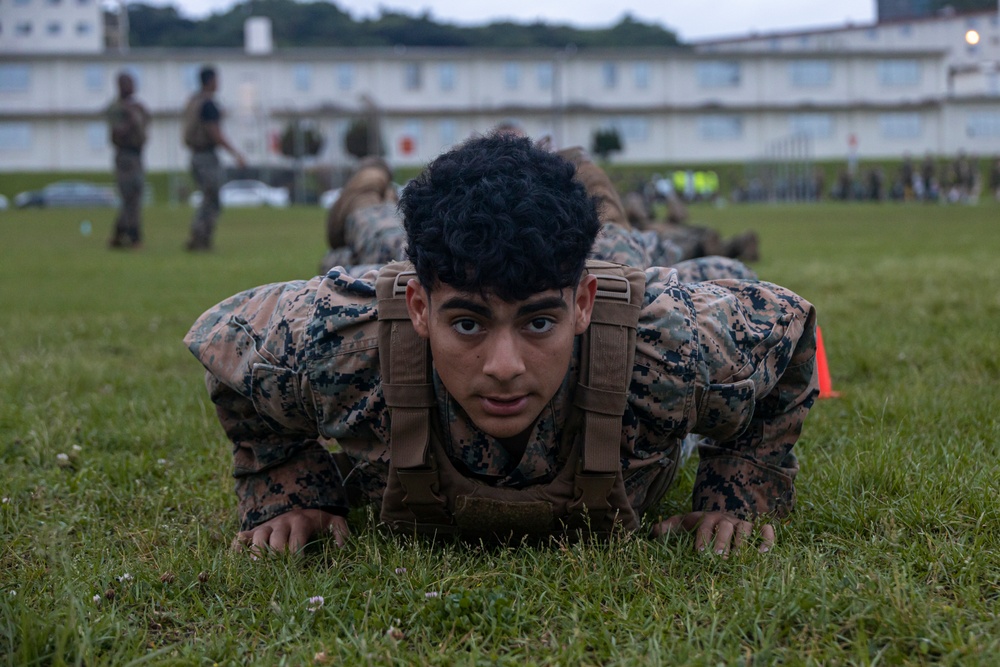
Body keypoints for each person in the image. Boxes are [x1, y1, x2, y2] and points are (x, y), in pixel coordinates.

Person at [185, 133, 818, 556]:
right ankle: (364, 197)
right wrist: (290, 490)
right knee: (385, 243)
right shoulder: (340, 339)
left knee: (625, 250)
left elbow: (788, 333)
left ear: (580, 306)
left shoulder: (671, 338)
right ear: (420, 309)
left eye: (538, 323)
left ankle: (584, 183)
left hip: (605, 271)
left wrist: (738, 492)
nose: (505, 368)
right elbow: (226, 339)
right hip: (410, 261)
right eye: (467, 325)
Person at [182, 65, 246, 251]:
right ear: (210, 81)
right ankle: (200, 240)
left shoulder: (194, 101)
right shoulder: (208, 104)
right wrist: (235, 153)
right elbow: (214, 133)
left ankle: (199, 238)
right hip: (206, 157)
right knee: (212, 199)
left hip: (195, 155)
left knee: (208, 197)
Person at [106, 71, 150, 249]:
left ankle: (120, 235)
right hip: (125, 155)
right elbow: (116, 133)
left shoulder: (136, 106)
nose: (133, 87)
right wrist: (131, 121)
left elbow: (146, 121)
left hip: (137, 154)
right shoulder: (117, 108)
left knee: (135, 195)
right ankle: (132, 236)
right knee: (129, 194)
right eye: (129, 83)